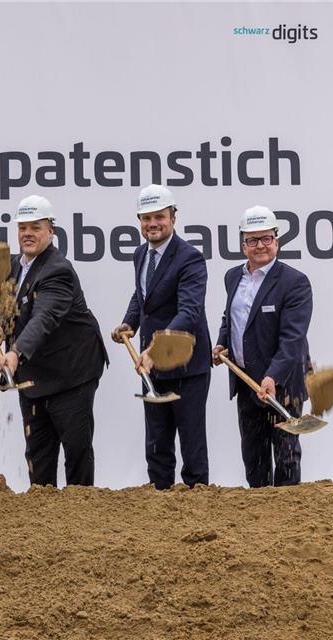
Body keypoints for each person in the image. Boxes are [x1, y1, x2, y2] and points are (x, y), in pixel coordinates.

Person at [0, 195, 108, 487]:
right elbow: (4, 305)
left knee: (76, 451)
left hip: (72, 373)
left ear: (50, 231)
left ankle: (80, 511)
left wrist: (15, 353)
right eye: (23, 227)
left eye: (35, 227)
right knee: (37, 452)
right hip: (33, 376)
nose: (27, 233)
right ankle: (41, 518)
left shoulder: (58, 271)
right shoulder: (13, 265)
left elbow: (44, 318)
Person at [111, 184, 211, 490]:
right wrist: (129, 323)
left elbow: (189, 313)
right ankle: (160, 504)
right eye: (146, 218)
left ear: (173, 218)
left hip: (185, 367)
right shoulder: (141, 254)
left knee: (191, 446)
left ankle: (197, 508)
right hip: (151, 366)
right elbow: (143, 295)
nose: (153, 224)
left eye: (159, 217)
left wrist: (155, 349)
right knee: (157, 444)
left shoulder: (190, 259)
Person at [214, 206, 312, 487]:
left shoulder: (295, 282)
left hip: (282, 386)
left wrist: (272, 377)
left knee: (286, 457)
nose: (260, 246)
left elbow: (293, 339)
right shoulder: (233, 277)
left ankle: (288, 516)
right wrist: (222, 343)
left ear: (277, 241)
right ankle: (259, 524)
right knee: (253, 457)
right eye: (252, 240)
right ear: (242, 244)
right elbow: (231, 317)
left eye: (266, 238)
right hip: (246, 382)